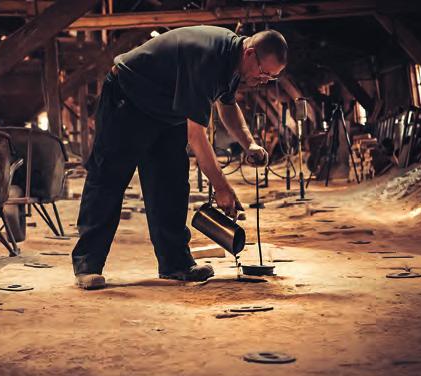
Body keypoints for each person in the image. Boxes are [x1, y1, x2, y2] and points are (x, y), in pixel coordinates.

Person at [72, 26, 288, 289]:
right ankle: (88, 265)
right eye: (264, 73)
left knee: (171, 184)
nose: (264, 80)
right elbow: (196, 136)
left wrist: (250, 144)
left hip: (166, 110)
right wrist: (222, 188)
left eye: (272, 77)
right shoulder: (208, 57)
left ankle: (175, 264)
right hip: (128, 99)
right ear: (250, 53)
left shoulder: (235, 63)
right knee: (109, 179)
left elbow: (227, 106)